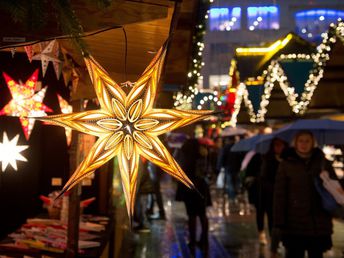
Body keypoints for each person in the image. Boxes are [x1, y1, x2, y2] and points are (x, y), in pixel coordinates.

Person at [273, 130, 338, 258]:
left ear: (313, 143)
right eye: (301, 141)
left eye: (307, 141)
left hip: (318, 222)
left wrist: (327, 178)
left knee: (316, 254)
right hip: (294, 223)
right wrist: (279, 222)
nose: (304, 144)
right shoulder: (286, 164)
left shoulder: (323, 163)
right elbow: (279, 195)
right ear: (295, 143)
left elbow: (335, 188)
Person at [176, 138, 211, 254]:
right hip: (202, 188)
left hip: (190, 189)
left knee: (192, 215)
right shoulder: (202, 155)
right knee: (202, 214)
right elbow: (206, 171)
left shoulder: (185, 157)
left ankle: (192, 240)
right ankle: (204, 239)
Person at [260, 137, 288, 255]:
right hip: (271, 195)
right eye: (276, 145)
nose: (279, 148)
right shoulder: (268, 159)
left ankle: (283, 242)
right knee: (273, 219)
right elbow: (264, 177)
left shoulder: (289, 159)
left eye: (281, 145)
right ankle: (274, 244)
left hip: (287, 195)